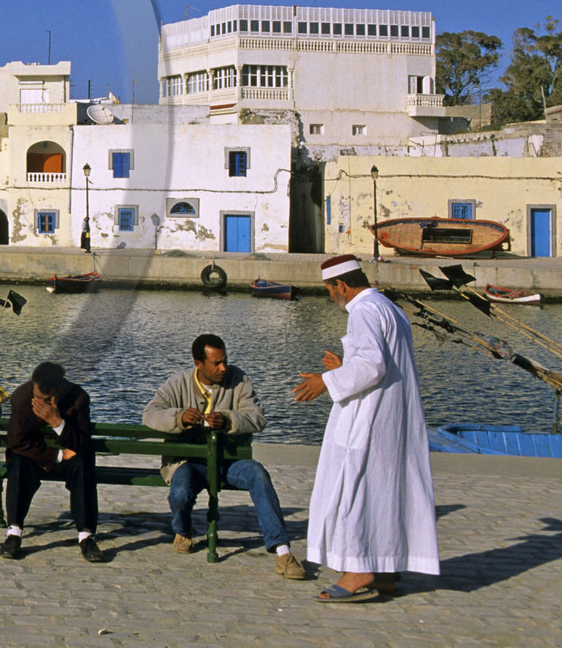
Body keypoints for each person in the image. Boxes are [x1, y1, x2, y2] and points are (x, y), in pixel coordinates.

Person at [293, 255, 439, 602]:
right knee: (384, 492)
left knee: (354, 489)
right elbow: (382, 361)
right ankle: (386, 570)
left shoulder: (363, 310)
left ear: (341, 285)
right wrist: (345, 367)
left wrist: (327, 381)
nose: (331, 297)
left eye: (330, 290)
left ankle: (359, 567)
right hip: (390, 417)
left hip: (370, 419)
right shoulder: (388, 307)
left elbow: (372, 365)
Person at [143, 333, 305, 579]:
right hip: (191, 462)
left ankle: (283, 551)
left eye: (225, 361)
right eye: (216, 363)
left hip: (230, 462)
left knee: (258, 475)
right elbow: (150, 414)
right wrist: (179, 418)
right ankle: (183, 530)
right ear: (199, 364)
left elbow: (257, 417)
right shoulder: (178, 383)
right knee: (180, 490)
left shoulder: (239, 380)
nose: (223, 367)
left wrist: (229, 419)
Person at [0, 361, 105, 563]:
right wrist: (56, 455)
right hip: (36, 459)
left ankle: (86, 536)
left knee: (83, 465)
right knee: (19, 463)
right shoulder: (23, 397)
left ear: (58, 391)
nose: (37, 401)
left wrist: (57, 422)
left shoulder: (78, 398)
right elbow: (17, 441)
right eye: (36, 396)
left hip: (71, 461)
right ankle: (14, 532)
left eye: (44, 399)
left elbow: (81, 444)